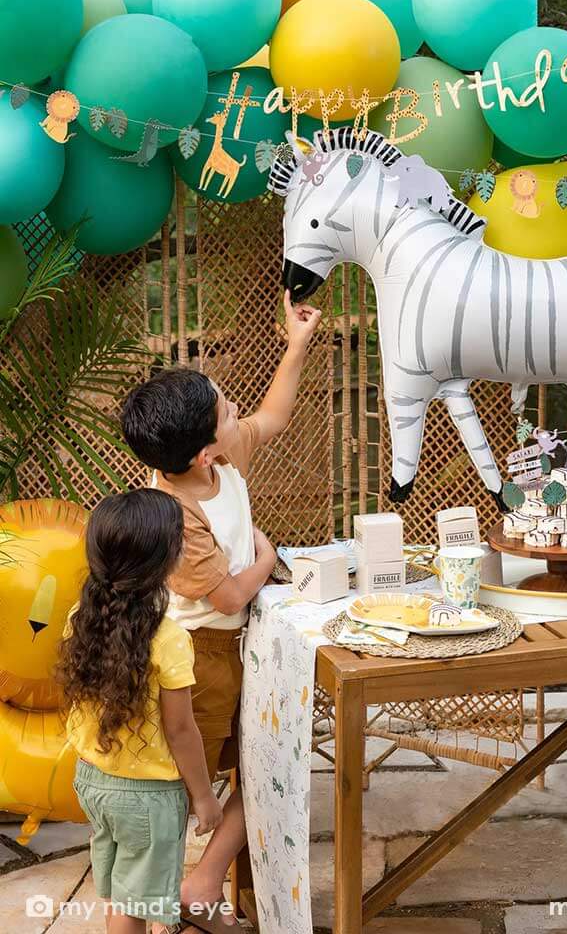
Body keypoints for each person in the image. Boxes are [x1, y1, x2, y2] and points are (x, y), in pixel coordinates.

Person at [120, 291, 322, 929]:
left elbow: (275, 416)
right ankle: (156, 908)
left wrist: (296, 345)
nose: (240, 412)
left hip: (240, 651)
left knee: (267, 769)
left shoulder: (219, 461)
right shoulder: (175, 515)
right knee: (185, 797)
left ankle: (202, 886)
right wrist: (268, 554)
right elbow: (230, 594)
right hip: (196, 665)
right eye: (227, 409)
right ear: (205, 451)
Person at [59, 490, 222, 933]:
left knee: (119, 892)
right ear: (168, 560)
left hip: (93, 782)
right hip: (147, 799)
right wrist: (204, 797)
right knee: (135, 905)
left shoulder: (81, 616)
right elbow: (182, 730)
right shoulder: (168, 639)